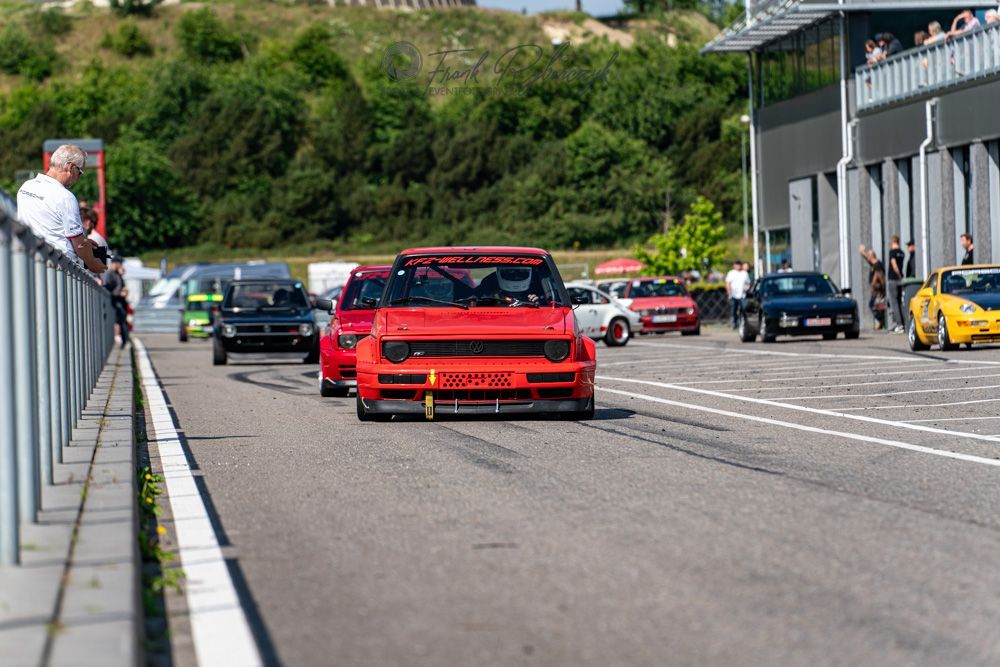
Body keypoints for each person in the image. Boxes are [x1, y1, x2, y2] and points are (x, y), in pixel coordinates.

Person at [16, 144, 107, 274]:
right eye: (80, 172)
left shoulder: (26, 187)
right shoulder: (65, 197)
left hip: (30, 259)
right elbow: (79, 245)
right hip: (60, 269)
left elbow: (47, 226)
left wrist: (84, 242)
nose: (79, 177)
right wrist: (94, 264)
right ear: (70, 167)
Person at [102, 256, 129, 347]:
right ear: (117, 263)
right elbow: (106, 286)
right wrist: (119, 292)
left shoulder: (116, 273)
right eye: (120, 263)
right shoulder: (109, 273)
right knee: (118, 319)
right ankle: (121, 339)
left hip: (119, 299)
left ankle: (124, 340)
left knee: (121, 319)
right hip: (115, 299)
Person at [860, 245, 888, 330]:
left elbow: (880, 279)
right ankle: (880, 321)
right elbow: (867, 258)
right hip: (875, 289)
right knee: (875, 305)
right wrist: (863, 252)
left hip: (878, 290)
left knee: (874, 305)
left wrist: (877, 287)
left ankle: (881, 321)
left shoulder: (878, 265)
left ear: (872, 256)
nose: (867, 257)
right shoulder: (874, 263)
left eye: (869, 256)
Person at [887, 236, 906, 333]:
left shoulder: (892, 252)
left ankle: (899, 325)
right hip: (900, 280)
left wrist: (897, 274)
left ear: (893, 241)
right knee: (900, 302)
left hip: (893, 279)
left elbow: (894, 264)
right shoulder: (902, 253)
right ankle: (903, 323)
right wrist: (901, 276)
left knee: (894, 303)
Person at [725, 260, 751, 330]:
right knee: (733, 310)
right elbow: (728, 284)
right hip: (733, 295)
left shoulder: (744, 273)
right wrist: (729, 293)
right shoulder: (731, 273)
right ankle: (734, 324)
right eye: (736, 265)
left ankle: (741, 323)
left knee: (743, 310)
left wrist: (746, 289)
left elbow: (748, 283)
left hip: (742, 296)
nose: (738, 266)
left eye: (739, 265)